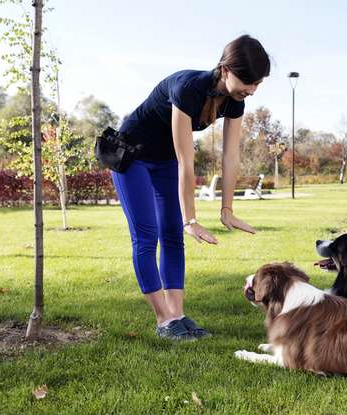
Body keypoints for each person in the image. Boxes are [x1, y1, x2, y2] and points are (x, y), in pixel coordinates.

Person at [113, 35, 269, 341]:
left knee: (173, 237)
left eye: (257, 84)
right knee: (147, 236)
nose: (251, 89)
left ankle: (178, 316)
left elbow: (231, 156)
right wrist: (192, 220)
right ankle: (163, 319)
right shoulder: (188, 88)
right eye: (247, 81)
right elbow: (187, 161)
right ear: (225, 70)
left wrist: (227, 209)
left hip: (164, 160)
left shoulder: (234, 101)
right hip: (132, 156)